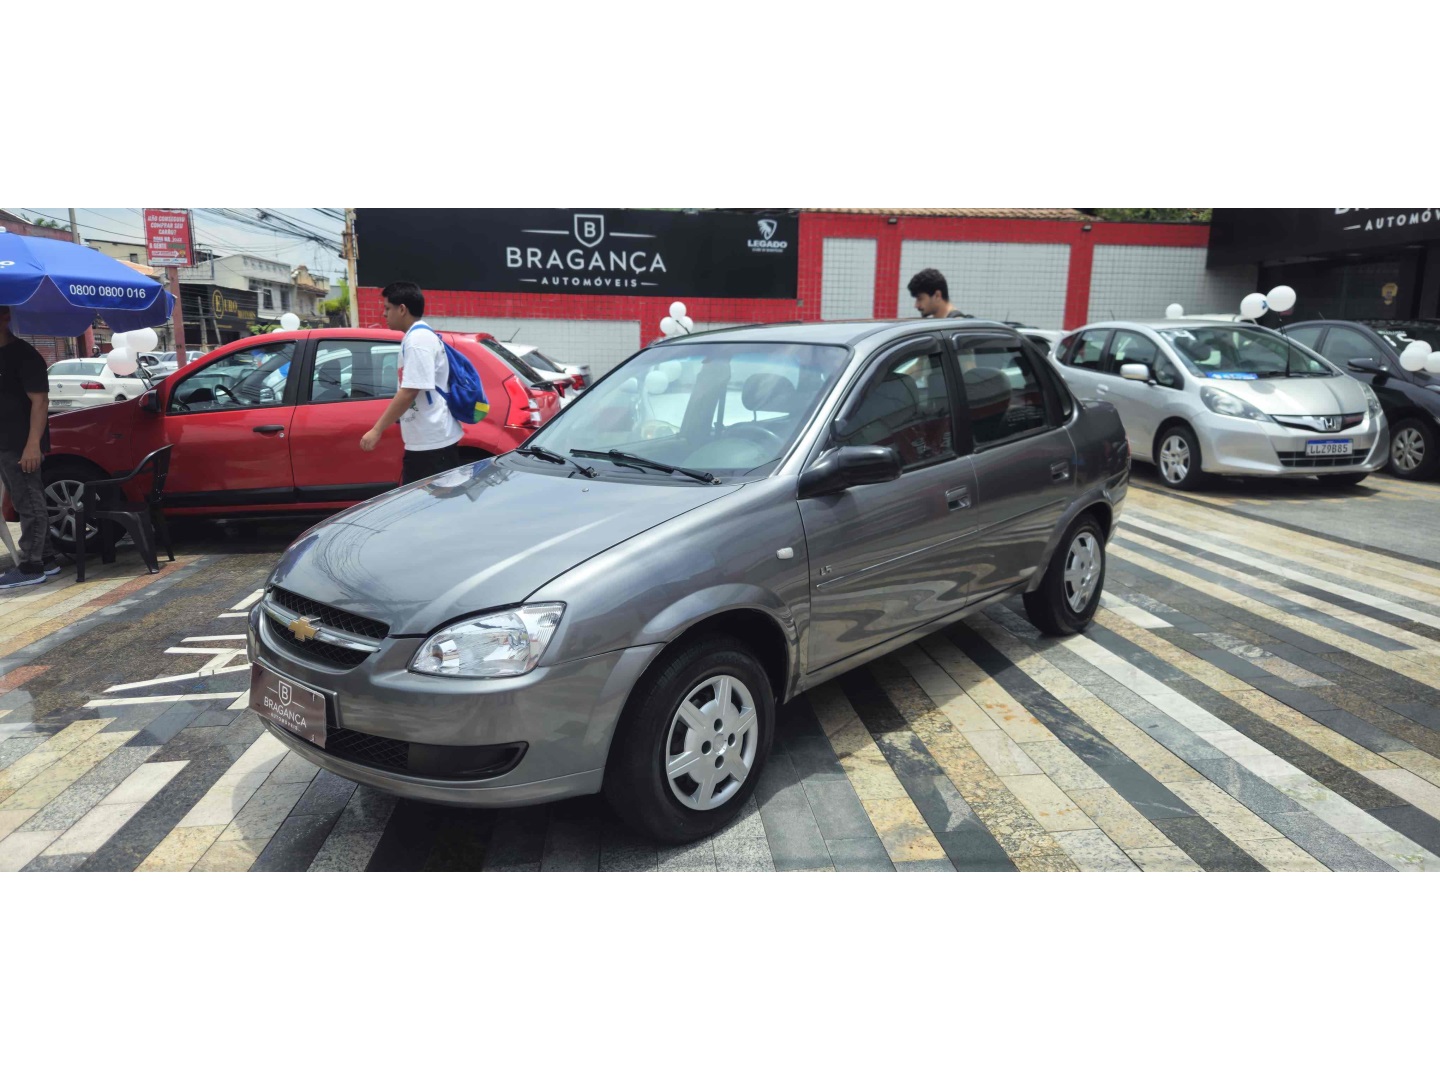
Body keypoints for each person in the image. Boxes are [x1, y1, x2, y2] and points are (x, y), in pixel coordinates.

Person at [359, 282, 462, 485]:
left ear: (402, 309)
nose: (384, 314)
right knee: (424, 501)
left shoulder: (418, 341)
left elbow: (409, 391)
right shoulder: (417, 337)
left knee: (431, 502)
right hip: (427, 441)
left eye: (387, 308)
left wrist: (377, 430)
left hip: (432, 443)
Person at [0, 306, 60, 589]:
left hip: (22, 443)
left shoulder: (24, 355)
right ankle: (46, 558)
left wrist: (33, 445)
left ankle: (31, 565)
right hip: (6, 442)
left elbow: (41, 402)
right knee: (23, 499)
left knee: (29, 502)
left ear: (5, 317)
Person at [907, 268, 972, 319]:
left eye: (920, 299)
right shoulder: (939, 324)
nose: (916, 305)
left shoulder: (956, 326)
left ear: (937, 296)